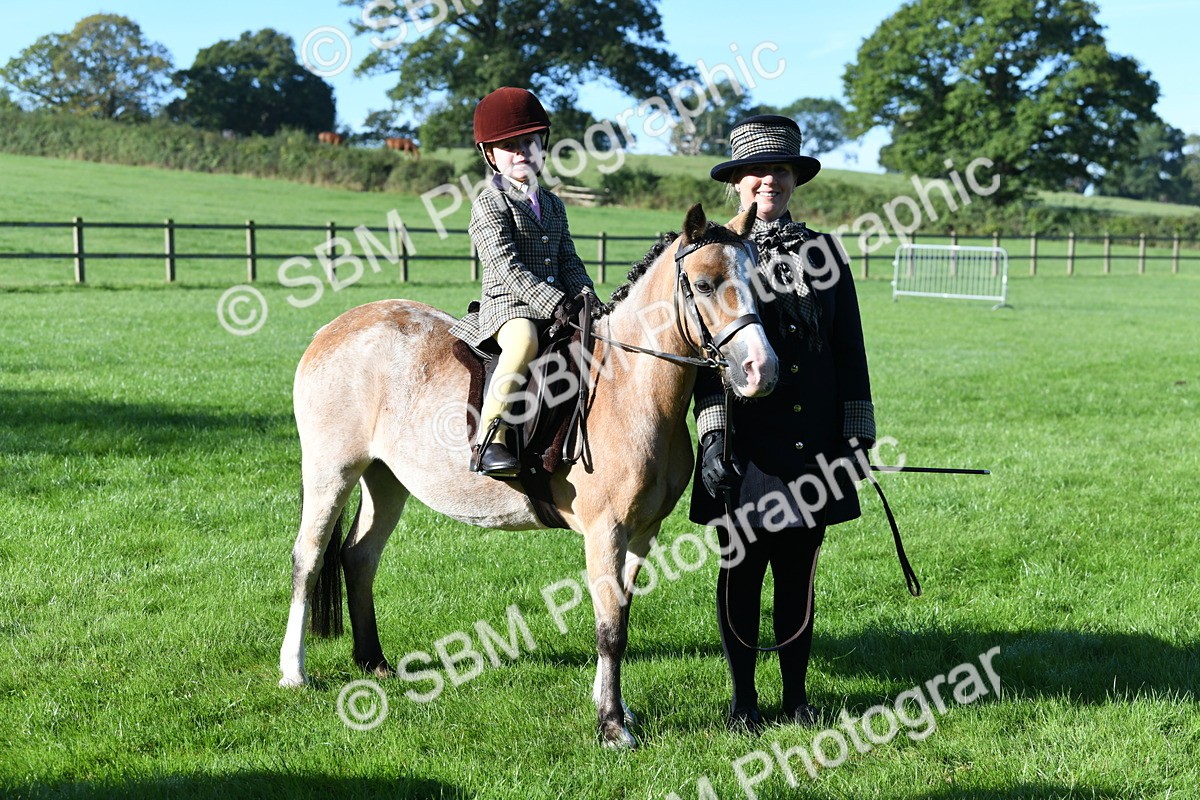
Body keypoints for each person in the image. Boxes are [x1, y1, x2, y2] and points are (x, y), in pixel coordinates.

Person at [690, 115, 876, 732]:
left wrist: (856, 435)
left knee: (799, 574)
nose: (767, 180)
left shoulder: (824, 251)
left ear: (795, 178)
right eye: (755, 171)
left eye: (780, 169)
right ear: (737, 183)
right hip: (747, 445)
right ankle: (744, 701)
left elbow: (850, 346)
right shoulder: (717, 252)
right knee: (740, 575)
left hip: (814, 442)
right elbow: (704, 355)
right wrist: (713, 435)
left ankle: (796, 699)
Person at [449, 87, 595, 478]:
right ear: (490, 155)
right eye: (509, 146)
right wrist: (554, 303)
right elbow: (508, 267)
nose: (522, 153)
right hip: (509, 306)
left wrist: (586, 297)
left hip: (556, 305)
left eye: (529, 142)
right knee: (525, 342)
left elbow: (568, 260)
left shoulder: (553, 204)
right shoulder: (489, 202)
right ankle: (490, 439)